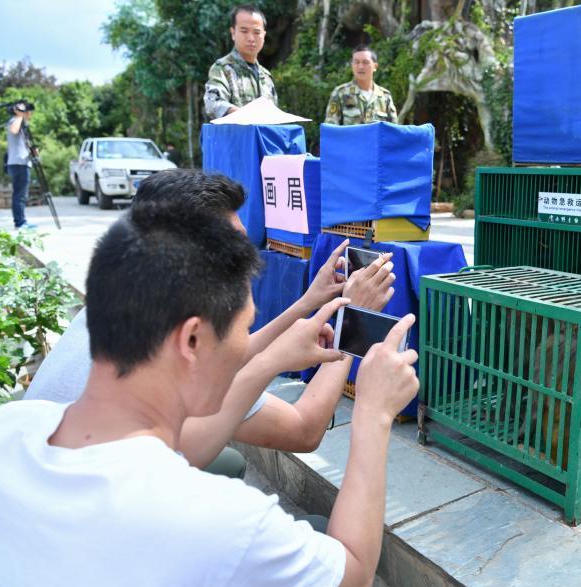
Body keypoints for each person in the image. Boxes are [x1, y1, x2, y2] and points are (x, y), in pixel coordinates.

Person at [0, 173, 419, 587]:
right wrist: (373, 413)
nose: (245, 344)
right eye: (242, 326)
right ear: (192, 340)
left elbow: (227, 366)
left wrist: (309, 309)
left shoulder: (14, 427)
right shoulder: (221, 524)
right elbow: (351, 577)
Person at [25, 170, 397, 479]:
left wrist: (310, 302)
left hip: (66, 496)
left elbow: (226, 358)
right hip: (102, 524)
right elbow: (303, 428)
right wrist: (355, 325)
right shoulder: (174, 351)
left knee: (227, 461)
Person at [204, 4, 278, 120]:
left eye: (256, 32)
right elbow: (213, 104)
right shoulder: (222, 69)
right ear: (233, 33)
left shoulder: (266, 76)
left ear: (263, 35)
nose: (251, 38)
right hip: (235, 137)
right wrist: (247, 117)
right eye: (244, 31)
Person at [324, 45, 398, 126]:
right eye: (356, 62)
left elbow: (393, 130)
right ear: (352, 65)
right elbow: (331, 128)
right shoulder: (340, 93)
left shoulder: (385, 96)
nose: (361, 66)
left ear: (375, 66)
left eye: (365, 62)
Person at [4, 100, 36, 230]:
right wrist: (19, 115)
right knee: (19, 195)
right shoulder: (15, 120)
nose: (30, 115)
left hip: (22, 163)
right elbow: (13, 130)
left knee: (21, 194)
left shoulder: (22, 123)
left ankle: (21, 221)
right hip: (18, 163)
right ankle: (20, 223)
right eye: (29, 112)